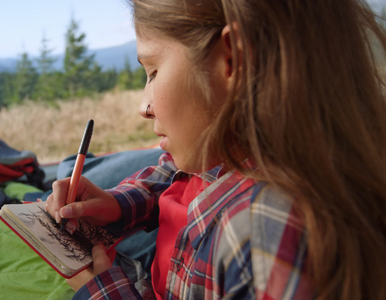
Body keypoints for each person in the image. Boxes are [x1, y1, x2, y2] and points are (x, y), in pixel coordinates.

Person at [46, 0, 386, 299]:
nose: (144, 106)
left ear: (232, 59)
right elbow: (172, 173)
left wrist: (105, 293)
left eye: (152, 71)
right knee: (69, 172)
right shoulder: (228, 145)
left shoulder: (264, 236)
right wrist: (119, 205)